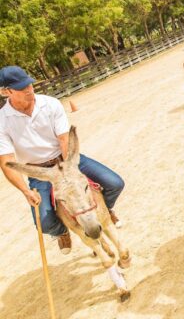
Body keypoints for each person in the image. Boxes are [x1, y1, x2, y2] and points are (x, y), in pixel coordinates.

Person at [0, 66, 125, 254]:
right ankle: (62, 232)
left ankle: (105, 212)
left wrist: (70, 172)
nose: (29, 90)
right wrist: (26, 191)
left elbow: (64, 140)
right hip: (39, 171)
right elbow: (6, 161)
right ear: (5, 91)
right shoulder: (2, 121)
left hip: (68, 160)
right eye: (21, 87)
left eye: (29, 85)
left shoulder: (50, 104)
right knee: (45, 222)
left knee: (115, 183)